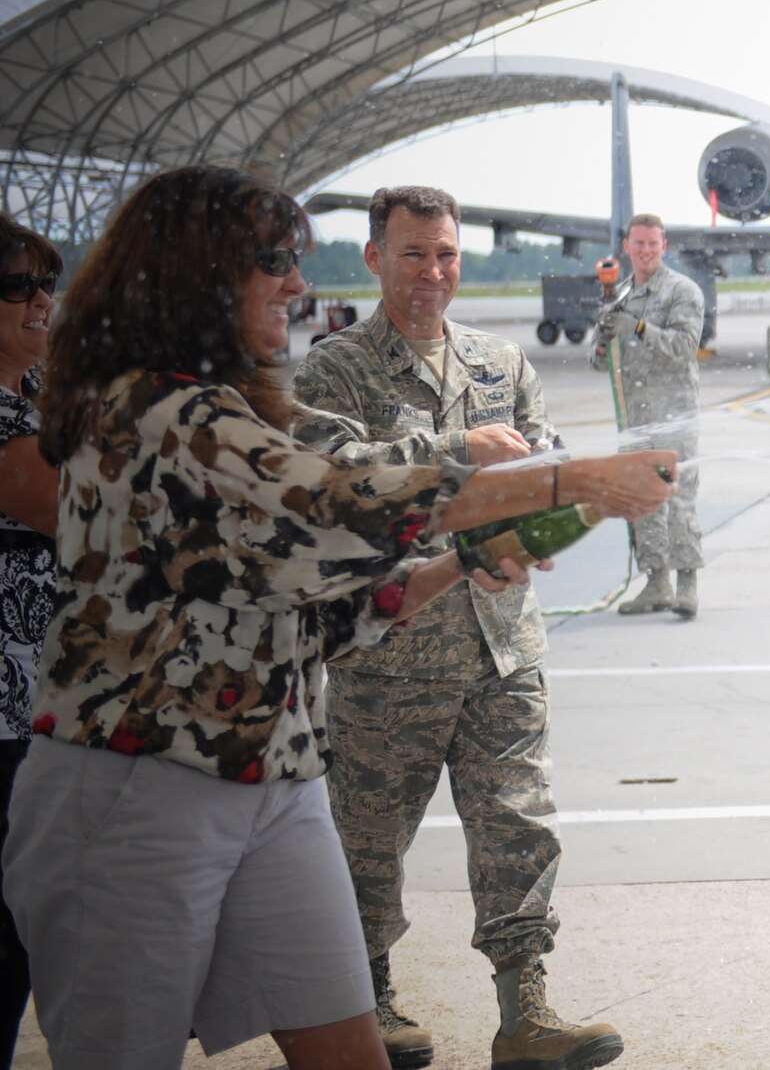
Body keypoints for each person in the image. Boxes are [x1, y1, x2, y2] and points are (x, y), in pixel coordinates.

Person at [1, 166, 674, 1070]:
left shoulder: (239, 407)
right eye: (273, 259)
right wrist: (563, 481)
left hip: (270, 775)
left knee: (350, 1051)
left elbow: (331, 606)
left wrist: (467, 558)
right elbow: (322, 507)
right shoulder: (155, 413)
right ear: (197, 273)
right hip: (137, 784)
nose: (297, 281)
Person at [291, 185, 620, 1070]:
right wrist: (456, 455)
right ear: (372, 259)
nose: (432, 272)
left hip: (501, 644)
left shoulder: (499, 364)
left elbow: (543, 476)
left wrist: (544, 531)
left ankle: (526, 1011)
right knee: (367, 838)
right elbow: (339, 486)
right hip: (390, 652)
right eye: (412, 254)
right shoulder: (336, 369)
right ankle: (370, 1006)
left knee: (519, 825)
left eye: (445, 254)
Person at [0, 216, 59, 1070]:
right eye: (18, 286)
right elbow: (65, 509)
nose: (43, 299)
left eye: (49, 282)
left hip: (38, 697)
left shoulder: (46, 393)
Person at [591, 214, 705, 618]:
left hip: (674, 414)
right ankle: (656, 582)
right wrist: (604, 339)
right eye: (638, 244)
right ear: (627, 248)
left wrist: (637, 328)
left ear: (664, 247)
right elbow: (597, 360)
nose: (645, 251)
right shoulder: (618, 295)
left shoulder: (682, 292)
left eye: (652, 244)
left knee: (679, 499)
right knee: (642, 501)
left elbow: (684, 346)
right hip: (635, 417)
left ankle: (687, 584)